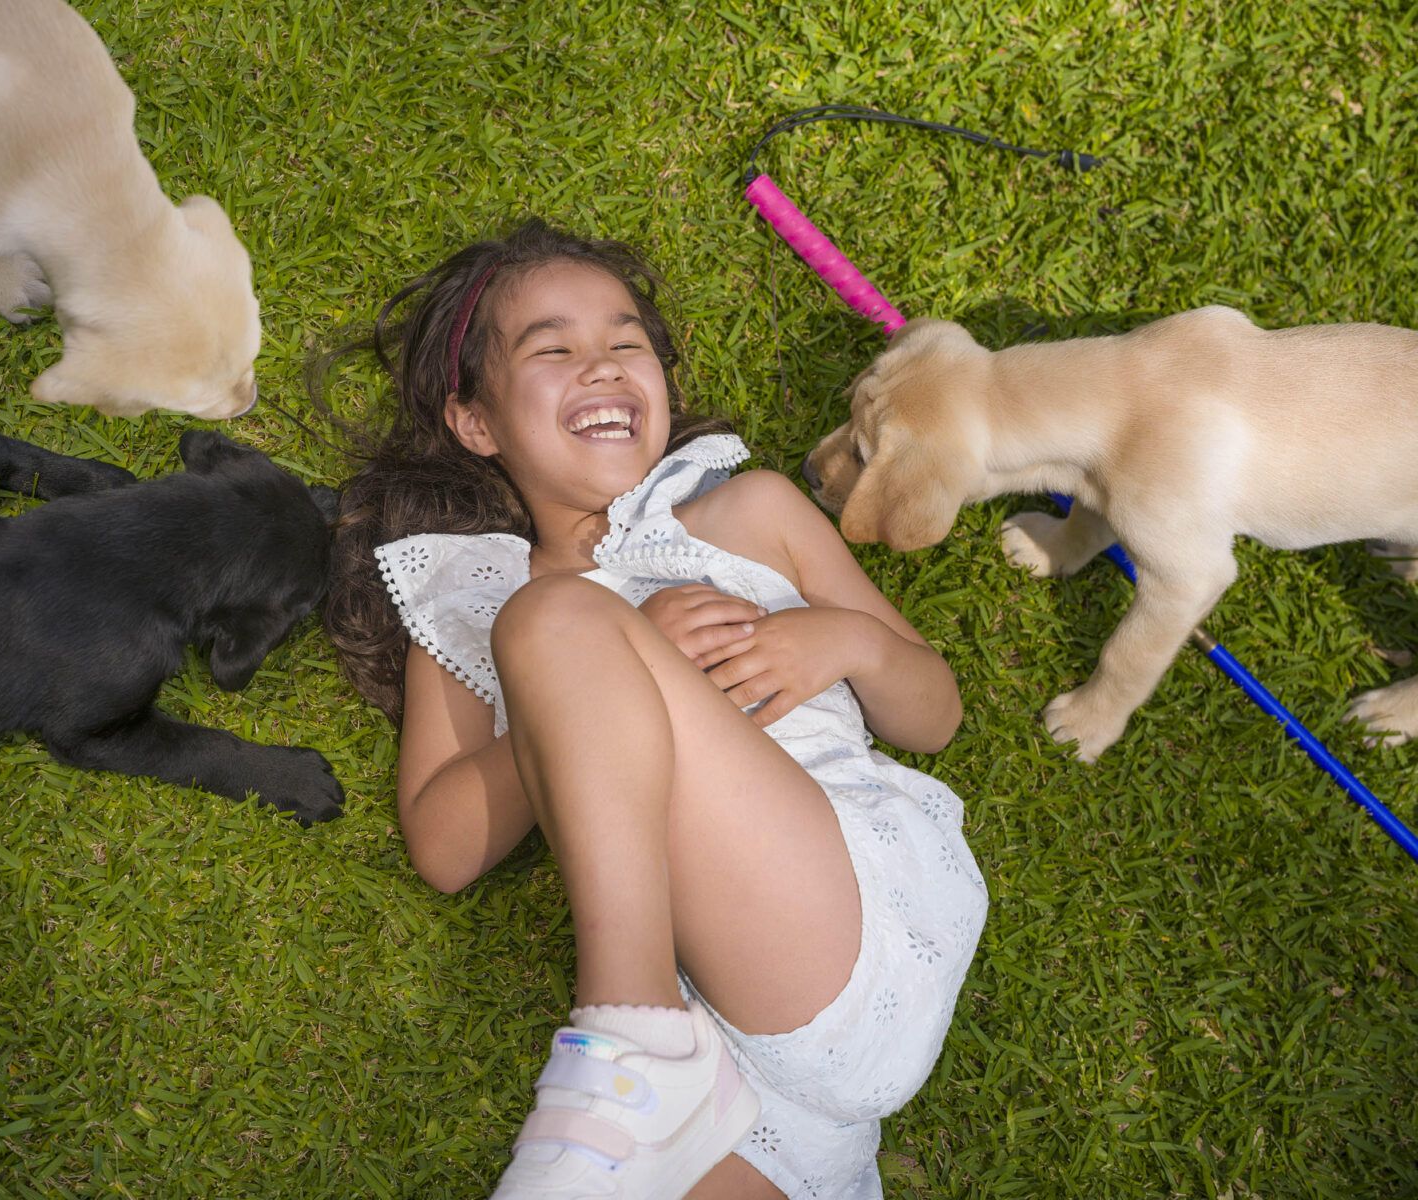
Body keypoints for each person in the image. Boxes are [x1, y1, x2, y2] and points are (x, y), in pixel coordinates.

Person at [322, 219, 987, 1200]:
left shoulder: (747, 515)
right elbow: (445, 844)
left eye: (626, 341)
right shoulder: (471, 608)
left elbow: (934, 715)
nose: (600, 365)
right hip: (740, 1045)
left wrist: (845, 641)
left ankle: (630, 1040)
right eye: (551, 349)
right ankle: (655, 1064)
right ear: (475, 423)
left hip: (840, 926)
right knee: (551, 619)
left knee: (555, 619)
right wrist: (611, 672)